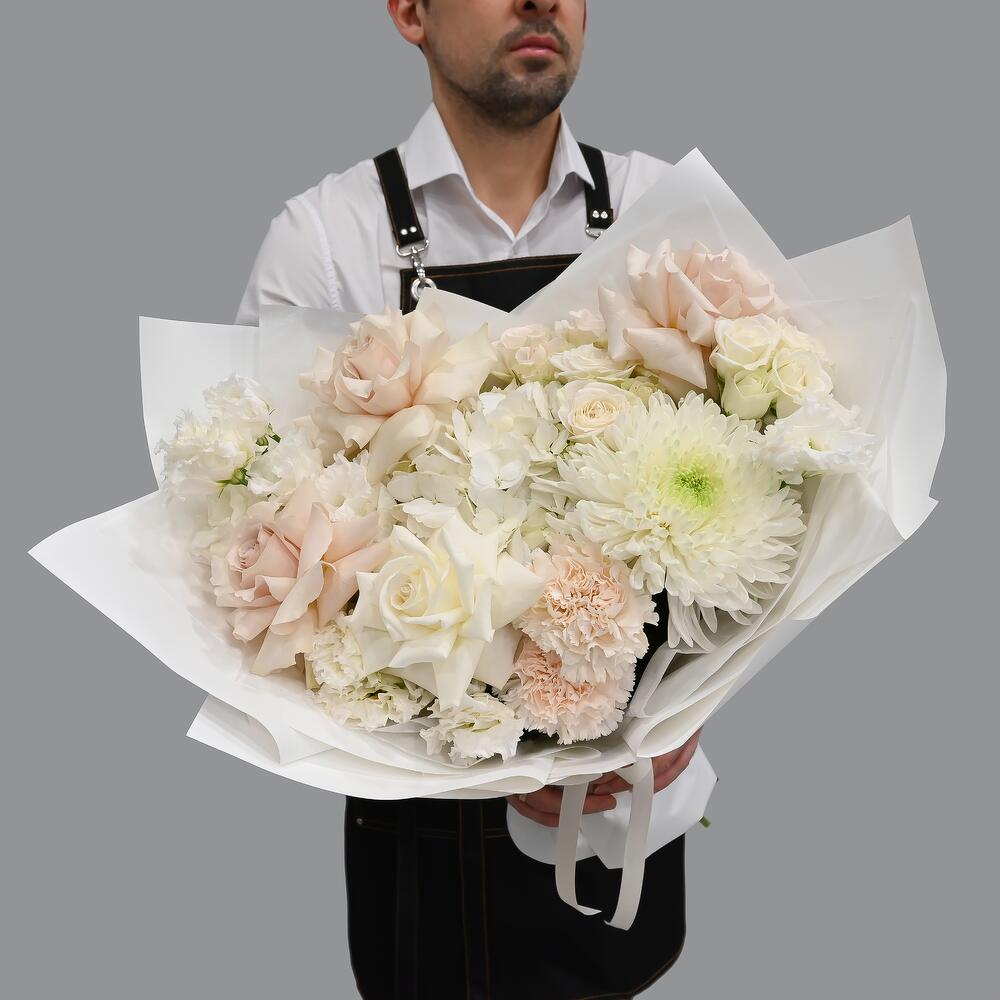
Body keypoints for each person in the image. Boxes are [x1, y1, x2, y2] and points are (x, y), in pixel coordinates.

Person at [237, 2, 703, 997]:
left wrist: (685, 705)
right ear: (410, 11)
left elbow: (749, 480)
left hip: (627, 790)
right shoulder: (327, 238)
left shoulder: (663, 207)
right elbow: (257, 520)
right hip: (427, 837)